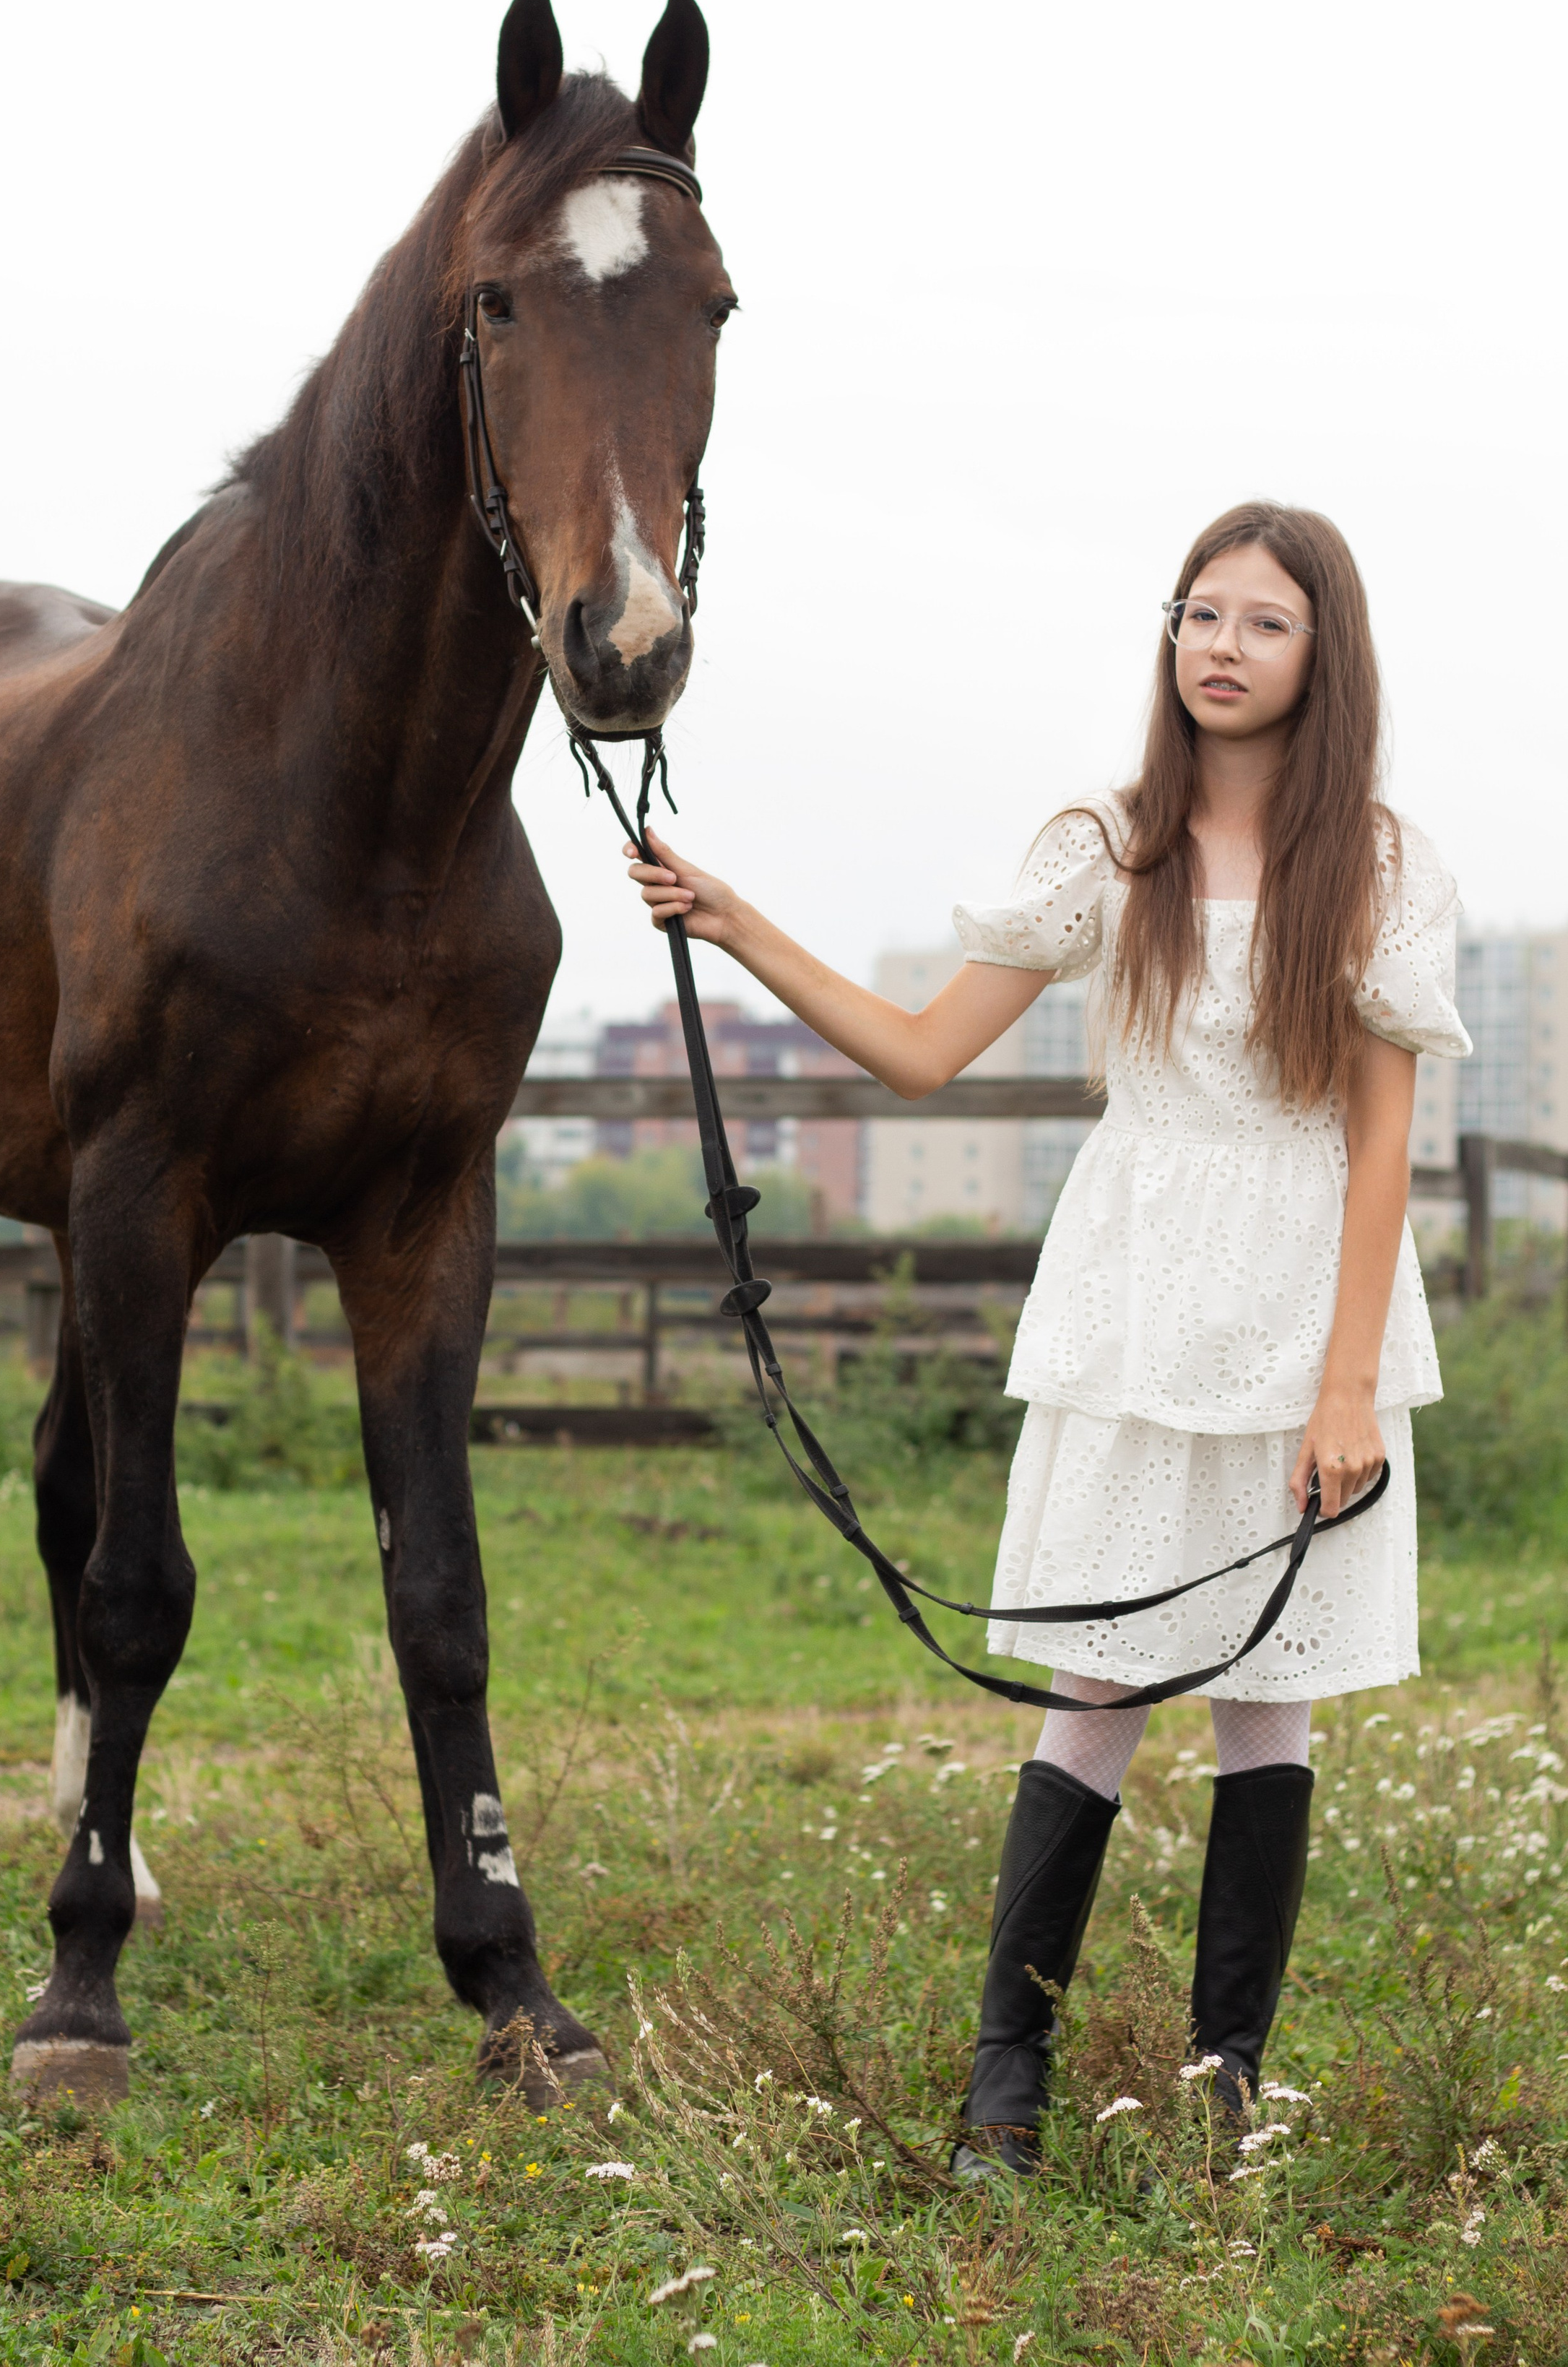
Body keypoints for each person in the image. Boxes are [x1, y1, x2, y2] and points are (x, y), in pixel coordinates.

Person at [625, 500, 1469, 2177]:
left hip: (1301, 1304)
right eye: (1197, 614)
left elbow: (1379, 1144)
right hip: (1134, 1297)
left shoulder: (1377, 864)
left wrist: (1344, 1387)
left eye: (1262, 622)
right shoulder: (1107, 843)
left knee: (1262, 1702)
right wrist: (739, 927)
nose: (1219, 647)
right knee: (1092, 1680)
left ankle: (1227, 2084)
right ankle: (1002, 2084)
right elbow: (922, 1052)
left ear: (1324, 656)